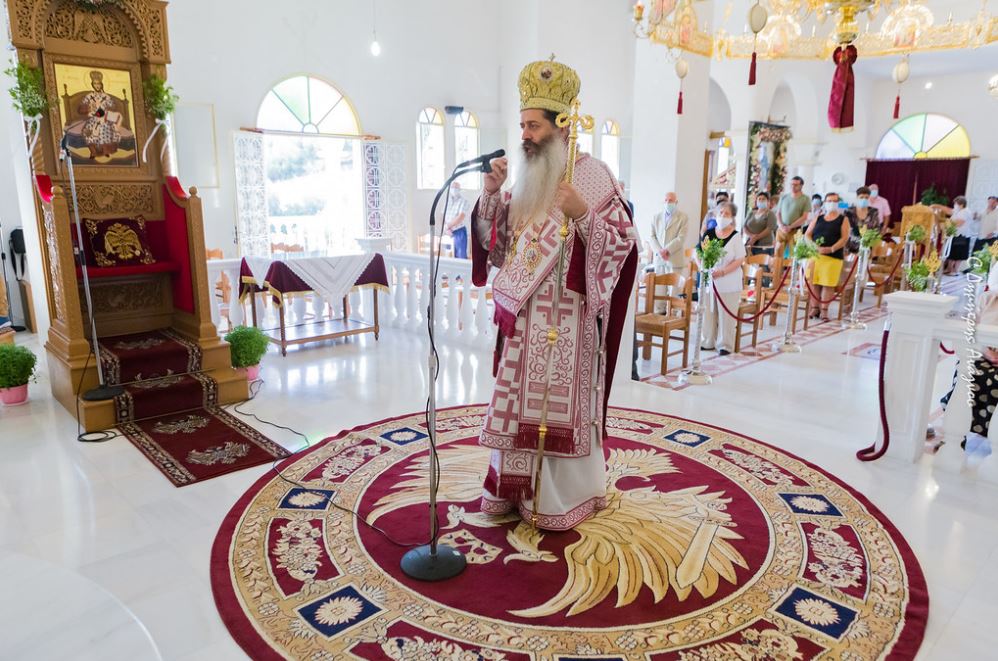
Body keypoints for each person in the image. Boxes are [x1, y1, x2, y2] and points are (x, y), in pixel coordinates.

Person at [470, 58, 637, 531]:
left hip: (568, 323)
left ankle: (559, 499)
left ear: (561, 125)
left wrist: (584, 214)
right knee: (517, 405)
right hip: (523, 323)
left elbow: (625, 246)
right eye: (522, 125)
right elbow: (499, 249)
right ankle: (511, 490)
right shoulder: (526, 179)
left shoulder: (595, 176)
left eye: (534, 126)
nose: (525, 135)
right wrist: (491, 194)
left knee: (553, 410)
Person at [698, 202, 745, 356]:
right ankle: (707, 341)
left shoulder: (735, 236)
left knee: (726, 314)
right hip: (709, 280)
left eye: (726, 213)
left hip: (728, 280)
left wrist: (723, 271)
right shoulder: (709, 233)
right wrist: (702, 266)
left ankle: (725, 344)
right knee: (708, 312)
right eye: (720, 213)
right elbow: (699, 252)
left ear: (732, 217)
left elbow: (740, 259)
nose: (722, 216)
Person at [804, 192, 851, 322]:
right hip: (816, 255)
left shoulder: (843, 219)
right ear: (824, 203)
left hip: (833, 256)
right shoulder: (818, 218)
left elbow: (844, 238)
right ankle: (815, 308)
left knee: (827, 284)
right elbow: (807, 234)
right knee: (814, 282)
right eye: (829, 201)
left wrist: (831, 248)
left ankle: (824, 310)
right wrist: (814, 247)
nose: (832, 203)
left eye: (835, 201)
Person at [649, 192, 688, 313]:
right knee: (659, 290)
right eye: (665, 200)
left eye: (670, 200)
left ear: (676, 202)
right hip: (659, 259)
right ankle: (659, 314)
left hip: (674, 259)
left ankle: (673, 315)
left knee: (674, 291)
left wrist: (667, 250)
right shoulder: (656, 217)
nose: (667, 203)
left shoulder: (683, 217)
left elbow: (681, 238)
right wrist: (659, 251)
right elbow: (652, 237)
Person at [78, 71, 122, 159]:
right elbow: (81, 108)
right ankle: (93, 152)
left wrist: (105, 109)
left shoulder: (105, 96)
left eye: (98, 84)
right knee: (87, 132)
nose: (97, 86)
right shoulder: (89, 96)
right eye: (95, 84)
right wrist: (89, 110)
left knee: (105, 131)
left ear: (101, 84)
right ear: (92, 84)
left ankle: (105, 151)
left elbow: (113, 106)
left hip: (103, 118)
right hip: (94, 118)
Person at [934, 196, 973, 275]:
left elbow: (958, 223)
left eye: (956, 204)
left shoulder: (965, 212)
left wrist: (945, 222)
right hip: (955, 234)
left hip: (962, 236)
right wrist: (936, 206)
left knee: (958, 254)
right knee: (952, 252)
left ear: (961, 204)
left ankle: (955, 270)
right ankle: (949, 269)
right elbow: (948, 210)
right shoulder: (958, 210)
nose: (955, 205)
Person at [776, 176, 811, 249]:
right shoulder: (784, 197)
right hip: (781, 230)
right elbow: (778, 213)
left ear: (801, 186)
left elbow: (804, 217)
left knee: (794, 253)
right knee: (778, 252)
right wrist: (781, 225)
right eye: (791, 184)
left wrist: (790, 227)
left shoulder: (806, 199)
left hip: (795, 231)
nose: (793, 186)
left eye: (795, 185)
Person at [845, 186, 881, 253]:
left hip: (867, 248)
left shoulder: (873, 213)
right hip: (850, 248)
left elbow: (877, 231)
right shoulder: (849, 212)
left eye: (866, 197)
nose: (864, 199)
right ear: (857, 198)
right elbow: (843, 230)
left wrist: (873, 249)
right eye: (861, 197)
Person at [744, 192, 777, 256]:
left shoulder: (770, 214)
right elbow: (744, 227)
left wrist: (756, 238)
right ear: (756, 201)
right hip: (751, 245)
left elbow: (769, 228)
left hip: (765, 246)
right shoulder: (751, 213)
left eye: (763, 199)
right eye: (759, 199)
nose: (761, 201)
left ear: (768, 201)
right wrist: (751, 236)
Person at [444, 181, 471, 258]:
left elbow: (461, 217)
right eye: (452, 187)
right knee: (449, 256)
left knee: (460, 257)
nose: (454, 189)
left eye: (456, 188)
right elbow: (442, 215)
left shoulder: (464, 201)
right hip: (448, 232)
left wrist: (447, 226)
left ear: (459, 189)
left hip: (459, 232)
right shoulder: (447, 201)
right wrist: (446, 228)